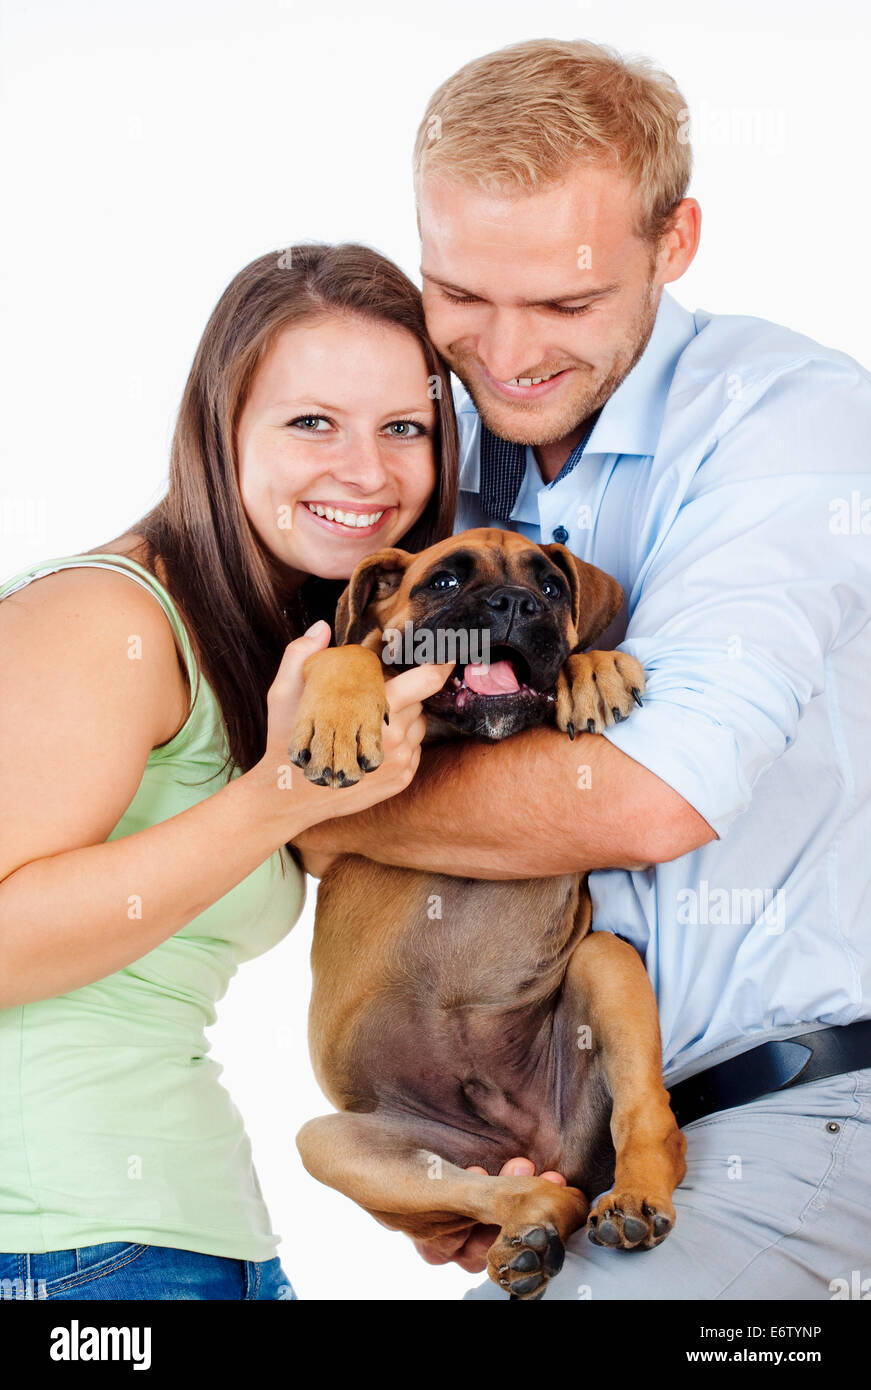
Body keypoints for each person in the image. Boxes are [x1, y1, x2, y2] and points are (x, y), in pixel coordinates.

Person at [297, 40, 871, 1299]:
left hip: (780, 1110)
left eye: (564, 304)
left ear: (675, 243)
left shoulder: (791, 423)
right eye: (459, 294)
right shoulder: (441, 452)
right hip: (549, 1142)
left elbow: (646, 800)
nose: (503, 356)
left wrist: (327, 802)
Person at [0, 242, 456, 1300]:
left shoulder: (275, 651)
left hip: (192, 1240)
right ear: (221, 427)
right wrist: (281, 796)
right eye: (312, 423)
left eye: (405, 428)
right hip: (57, 1244)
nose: (367, 470)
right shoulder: (102, 617)